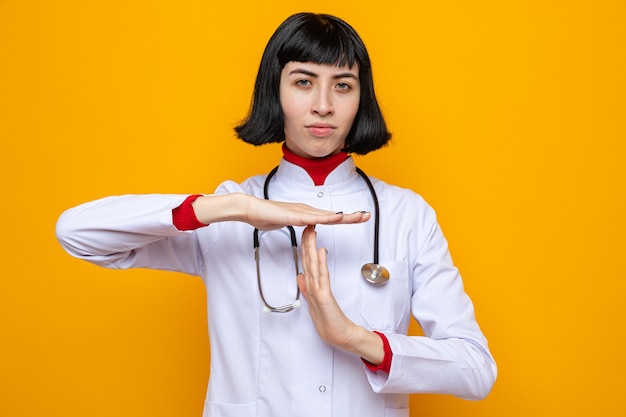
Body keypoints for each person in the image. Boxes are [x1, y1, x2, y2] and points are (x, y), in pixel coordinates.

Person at [56, 12, 497, 417]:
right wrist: (236, 208)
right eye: (303, 82)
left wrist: (356, 338)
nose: (323, 104)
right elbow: (77, 233)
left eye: (342, 84)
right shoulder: (227, 214)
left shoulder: (407, 214)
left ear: (361, 98)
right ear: (275, 90)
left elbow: (476, 369)